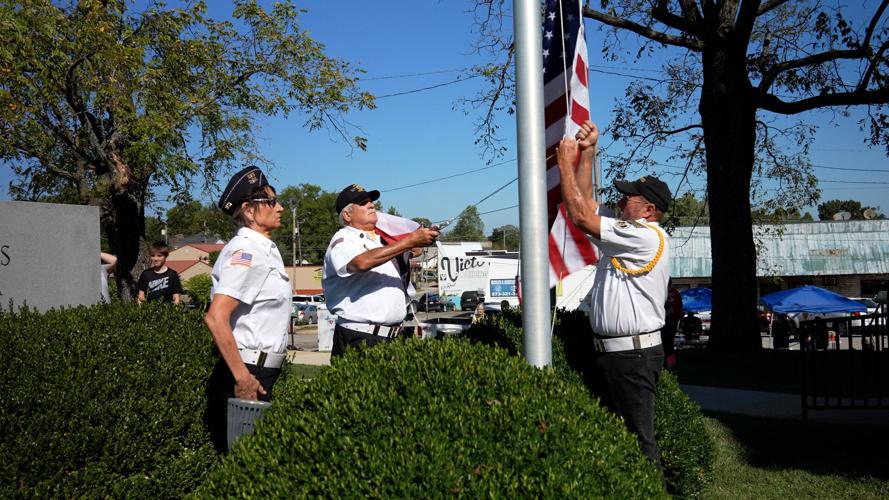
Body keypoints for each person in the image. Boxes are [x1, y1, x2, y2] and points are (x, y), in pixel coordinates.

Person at [557, 119, 672, 470]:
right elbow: (589, 205)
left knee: (639, 444)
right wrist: (588, 152)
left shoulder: (645, 235)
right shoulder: (629, 233)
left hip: (632, 356)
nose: (621, 201)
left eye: (629, 198)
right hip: (617, 354)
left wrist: (564, 162)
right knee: (618, 441)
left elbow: (579, 215)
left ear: (649, 210)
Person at [204, 166, 289, 451]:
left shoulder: (263, 248)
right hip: (247, 372)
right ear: (249, 211)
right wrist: (243, 378)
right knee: (245, 467)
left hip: (260, 371)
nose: (280, 207)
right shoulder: (247, 251)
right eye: (271, 201)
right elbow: (216, 318)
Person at [322, 184, 439, 357]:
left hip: (394, 337)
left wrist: (417, 243)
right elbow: (361, 263)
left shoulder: (383, 239)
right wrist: (409, 241)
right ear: (347, 215)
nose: (371, 205)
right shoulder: (343, 239)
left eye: (371, 201)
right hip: (360, 336)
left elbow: (410, 252)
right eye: (363, 203)